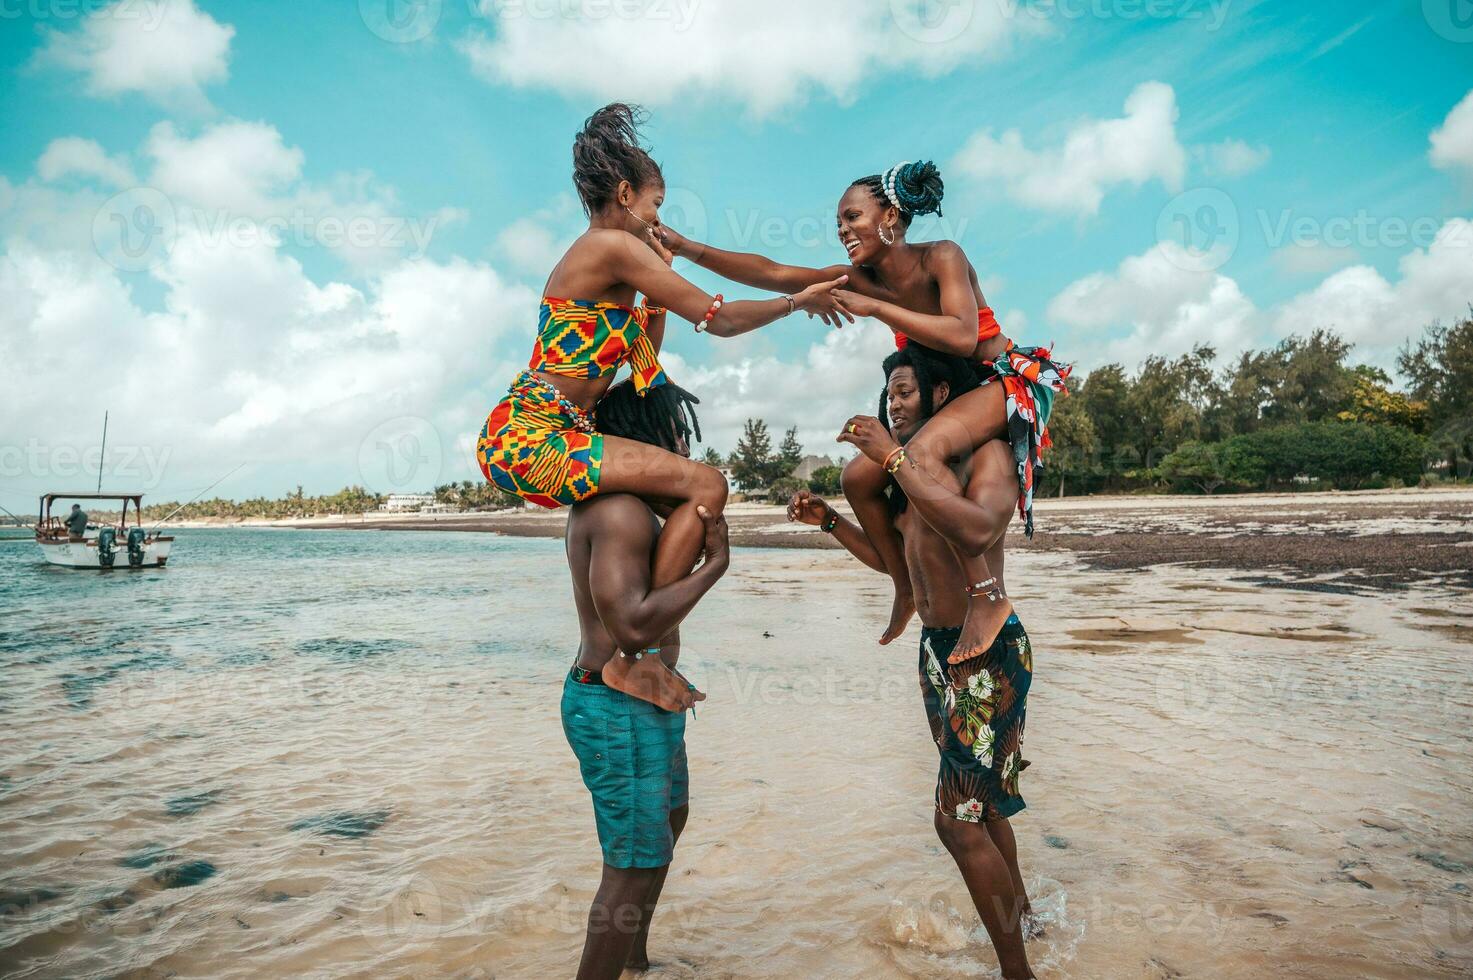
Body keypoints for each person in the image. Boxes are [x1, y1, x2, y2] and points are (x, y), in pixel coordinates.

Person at [476, 103, 851, 710]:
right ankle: (634, 656)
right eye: (655, 206)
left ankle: (639, 645)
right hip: (531, 435)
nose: (658, 220)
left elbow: (645, 353)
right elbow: (721, 317)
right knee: (708, 484)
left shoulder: (620, 262)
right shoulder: (606, 247)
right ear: (625, 194)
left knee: (688, 494)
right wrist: (795, 304)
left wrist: (660, 282)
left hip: (545, 430)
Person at [660, 160, 1069, 664]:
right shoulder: (858, 277)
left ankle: (987, 597)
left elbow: (963, 336)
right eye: (838, 224)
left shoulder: (943, 256)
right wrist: (685, 248)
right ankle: (903, 588)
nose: (843, 231)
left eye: (852, 217)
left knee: (918, 452)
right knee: (858, 475)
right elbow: (772, 271)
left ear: (890, 216)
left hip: (997, 382)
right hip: (950, 396)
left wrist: (878, 309)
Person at [789, 344, 1038, 980]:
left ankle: (1019, 973)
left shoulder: (983, 457)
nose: (895, 404)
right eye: (889, 396)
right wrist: (831, 524)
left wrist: (896, 458)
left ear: (941, 396)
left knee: (954, 822)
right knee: (978, 808)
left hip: (986, 651)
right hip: (937, 650)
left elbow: (977, 530)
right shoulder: (905, 479)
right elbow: (895, 564)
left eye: (906, 392)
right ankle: (1028, 922)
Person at [562, 378, 728, 979]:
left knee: (666, 825)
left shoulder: (635, 508)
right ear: (652, 441)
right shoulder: (621, 511)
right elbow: (631, 629)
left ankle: (634, 963)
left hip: (642, 701)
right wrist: (716, 567)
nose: (683, 447)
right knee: (630, 866)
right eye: (677, 434)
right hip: (613, 706)